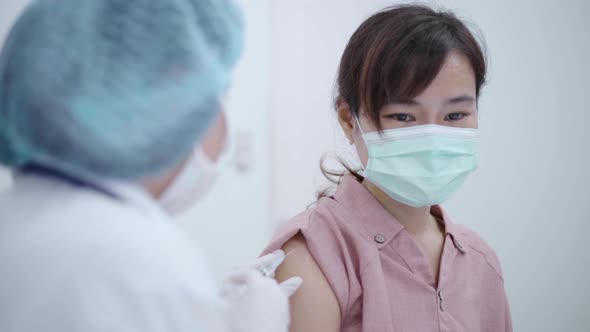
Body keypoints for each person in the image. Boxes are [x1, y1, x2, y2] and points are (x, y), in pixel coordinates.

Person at [0, 0, 301, 331]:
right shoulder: (135, 260)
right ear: (166, 109)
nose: (223, 126)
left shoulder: (16, 216)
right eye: (217, 98)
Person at [262, 4, 512, 332]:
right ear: (349, 120)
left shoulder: (480, 260)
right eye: (403, 117)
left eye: (454, 116)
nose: (432, 138)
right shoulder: (313, 255)